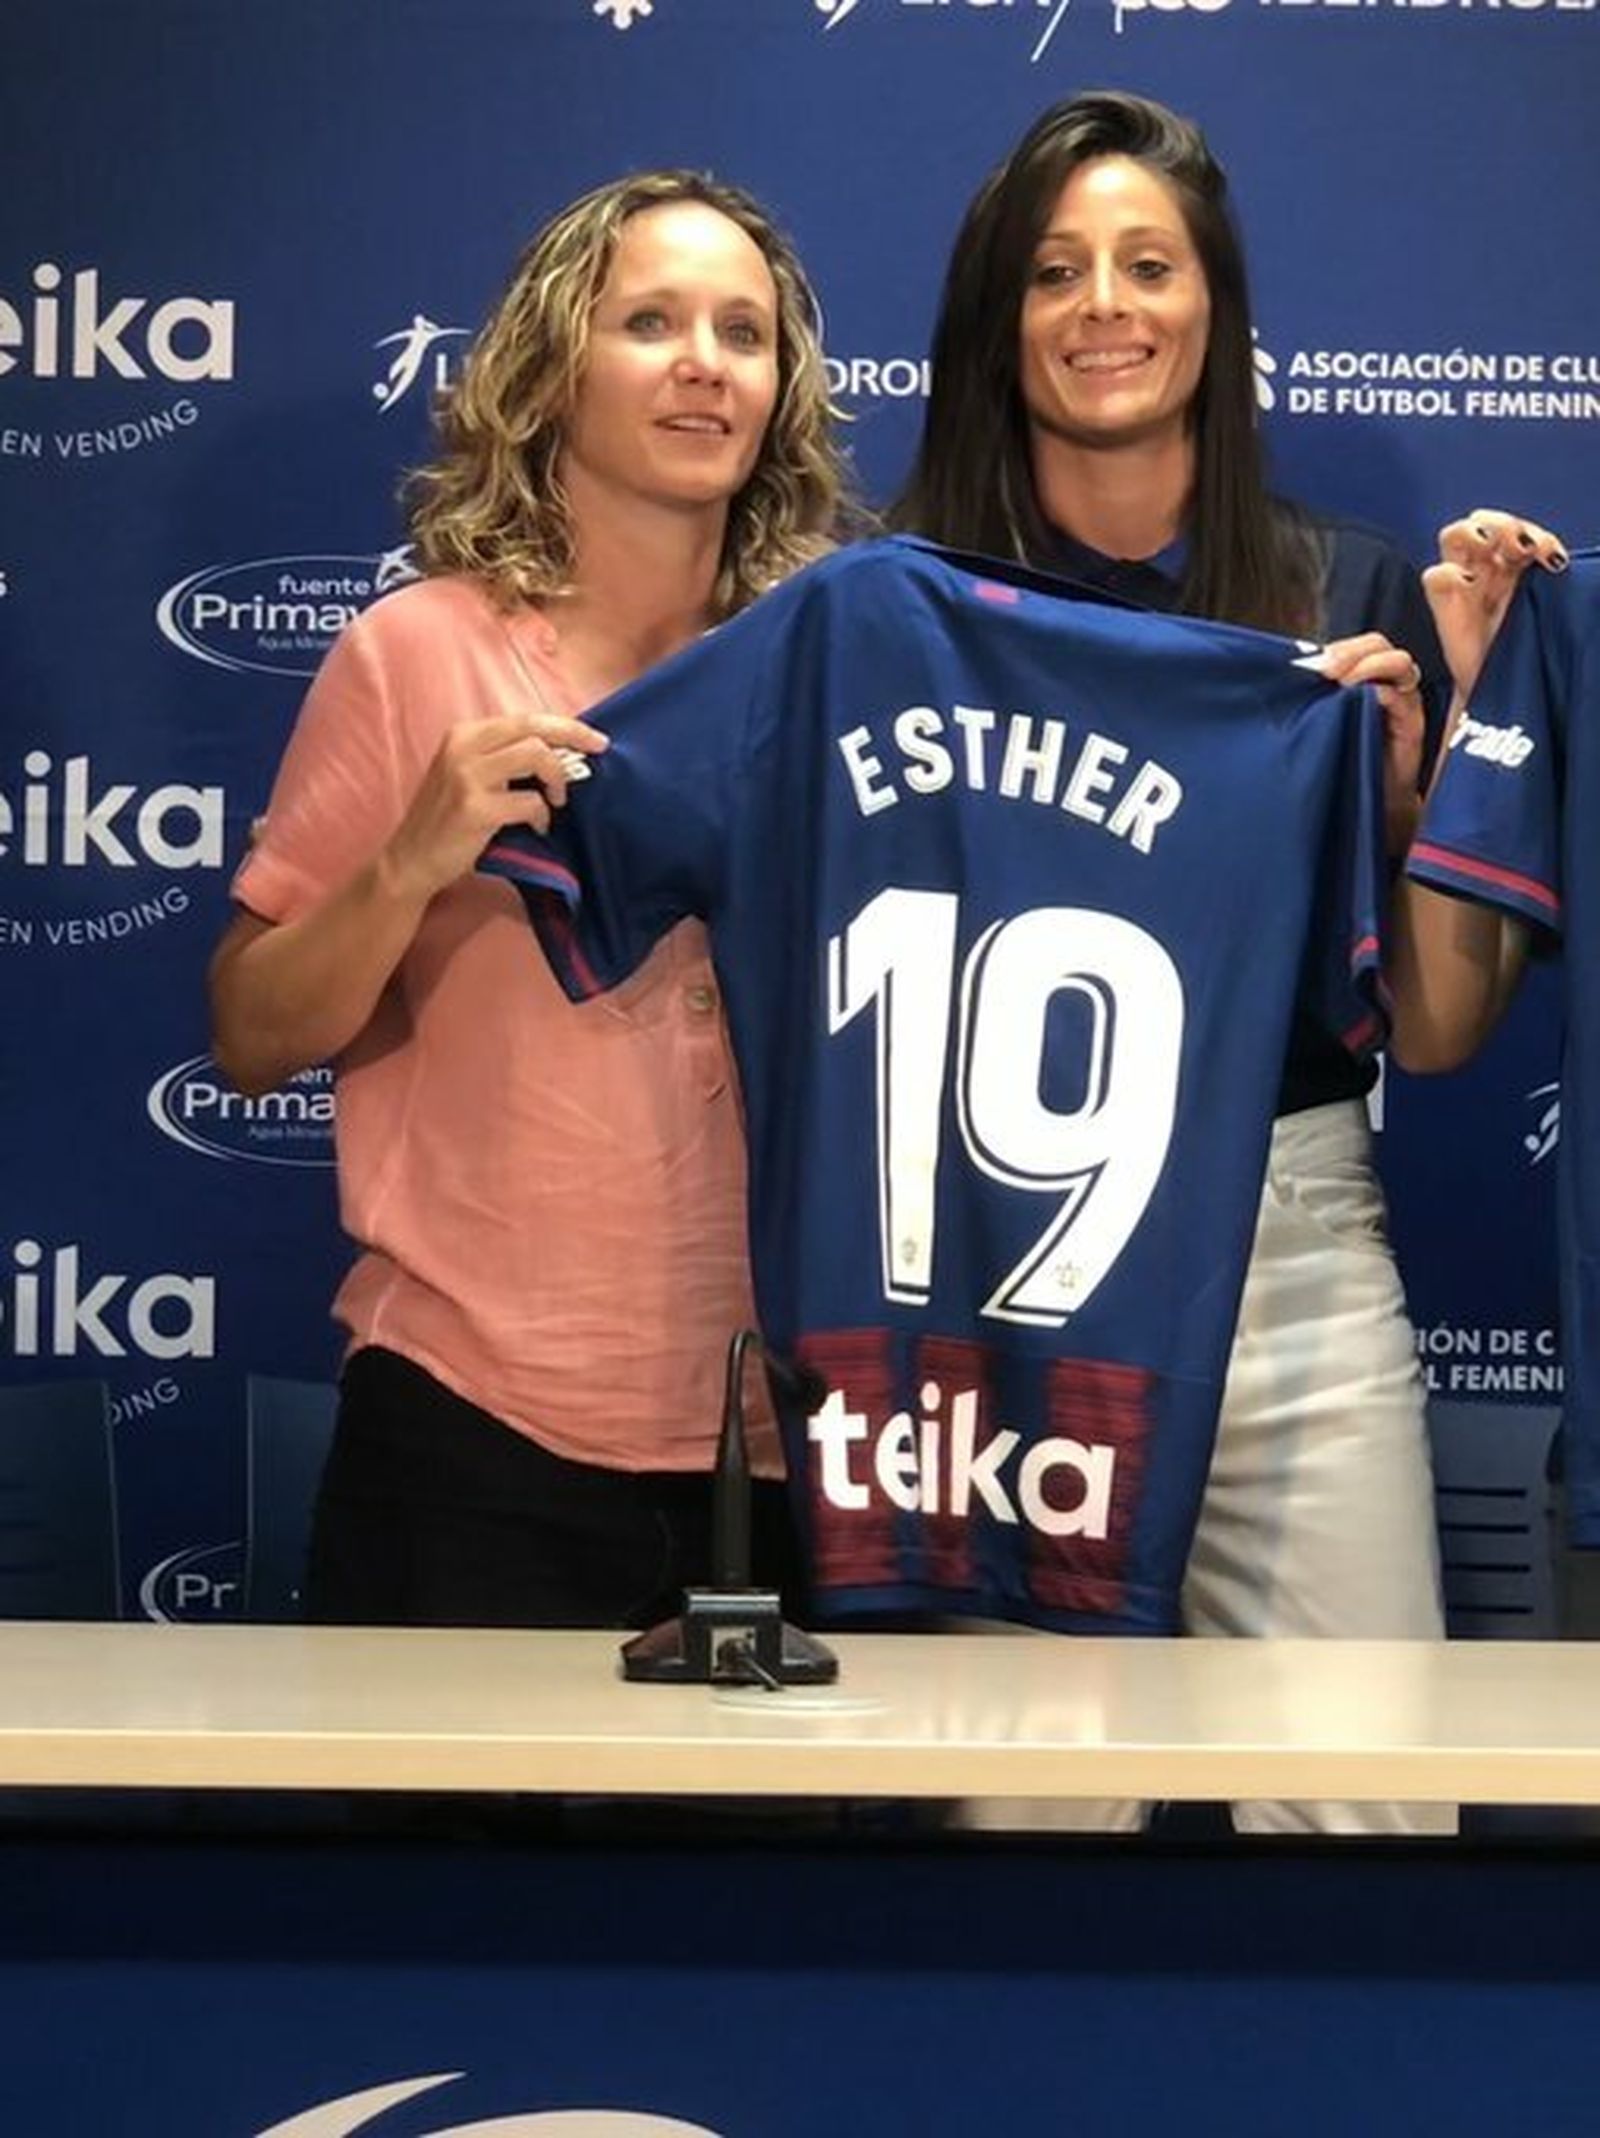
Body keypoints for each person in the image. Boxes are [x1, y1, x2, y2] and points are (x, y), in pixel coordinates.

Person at [890, 88, 1487, 1834]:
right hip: (998, 1252)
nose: (1105, 307)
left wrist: (1402, 807)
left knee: (1368, 1812)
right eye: (1058, 269)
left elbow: (1438, 1029)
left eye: (1148, 265)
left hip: (1284, 1238)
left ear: (1215, 306)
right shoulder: (892, 592)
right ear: (998, 317)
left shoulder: (1342, 584)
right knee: (1017, 1829)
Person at [208, 170, 847, 1629]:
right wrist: (407, 859)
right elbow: (250, 1034)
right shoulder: (412, 654)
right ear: (555, 366)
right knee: (447, 1872)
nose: (704, 362)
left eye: (743, 333)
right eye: (651, 321)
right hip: (465, 1432)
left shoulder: (824, 677)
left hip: (775, 1440)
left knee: (751, 1872)